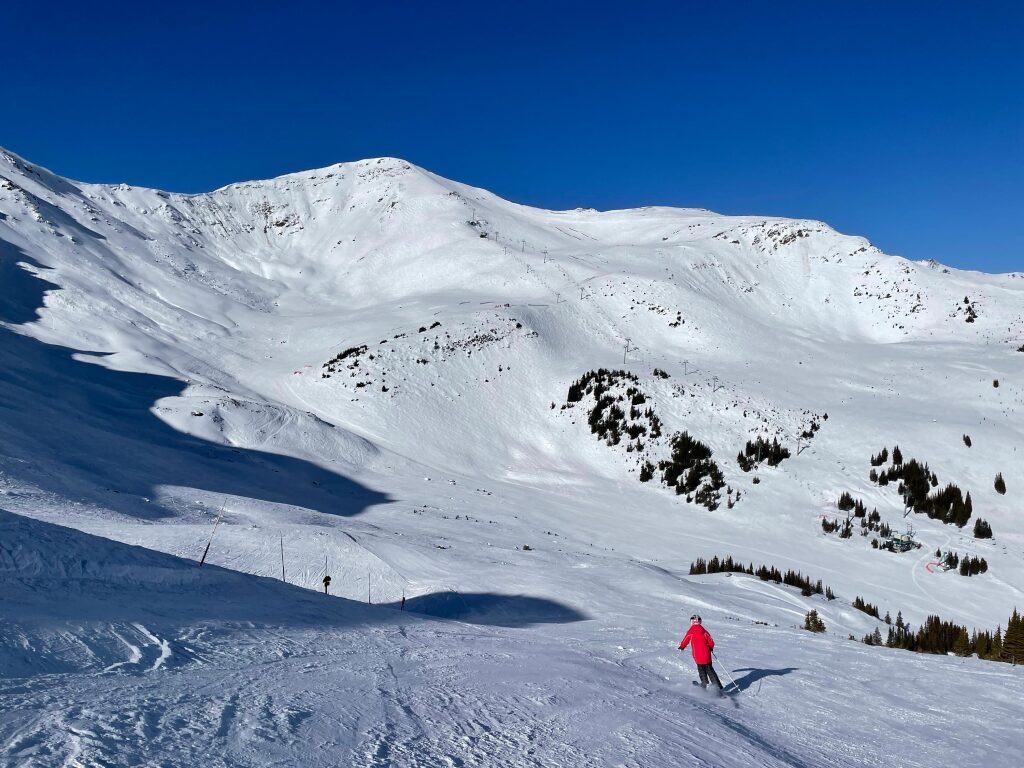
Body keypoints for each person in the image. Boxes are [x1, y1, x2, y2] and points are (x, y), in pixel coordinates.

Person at [679, 614, 723, 691]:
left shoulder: (691, 631)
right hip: (706, 655)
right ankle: (717, 687)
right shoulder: (704, 631)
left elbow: (686, 640)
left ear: (691, 622)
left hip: (697, 656)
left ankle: (704, 684)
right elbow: (711, 642)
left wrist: (682, 647)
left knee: (701, 670)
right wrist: (710, 647)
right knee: (710, 670)